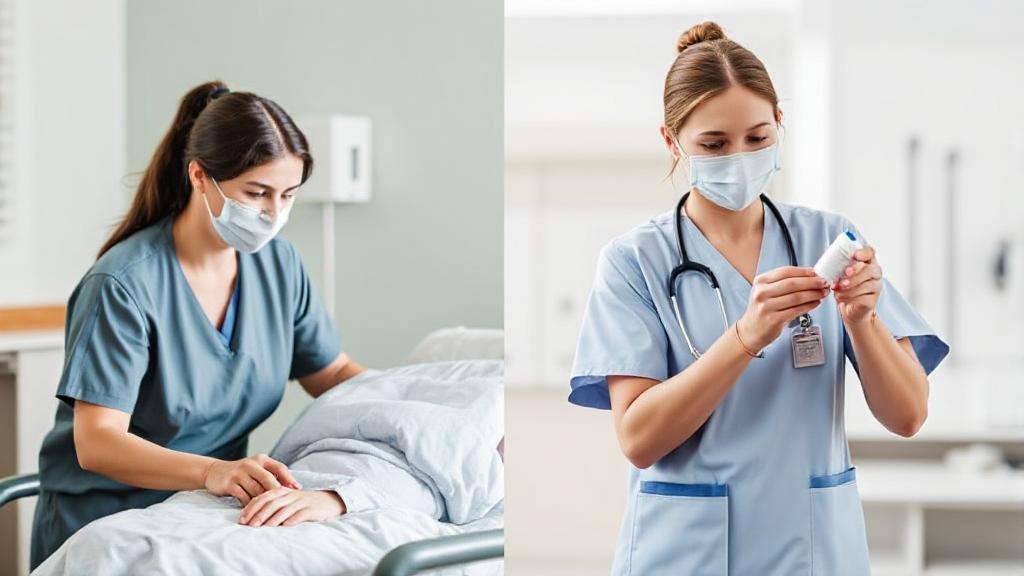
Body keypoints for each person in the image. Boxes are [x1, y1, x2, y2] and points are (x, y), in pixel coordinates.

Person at [568, 22, 949, 575]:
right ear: (671, 141)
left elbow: (909, 415)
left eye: (757, 137)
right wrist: (746, 337)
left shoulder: (829, 241)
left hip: (811, 550)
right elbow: (639, 438)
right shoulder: (634, 262)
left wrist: (862, 321)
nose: (739, 157)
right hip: (687, 555)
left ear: (779, 125)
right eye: (714, 144)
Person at [30, 81, 367, 569]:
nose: (274, 214)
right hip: (108, 530)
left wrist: (414, 408)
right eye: (257, 193)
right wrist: (213, 472)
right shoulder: (124, 284)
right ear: (199, 176)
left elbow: (330, 374)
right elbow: (98, 441)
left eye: (288, 195)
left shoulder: (278, 265)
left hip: (204, 520)